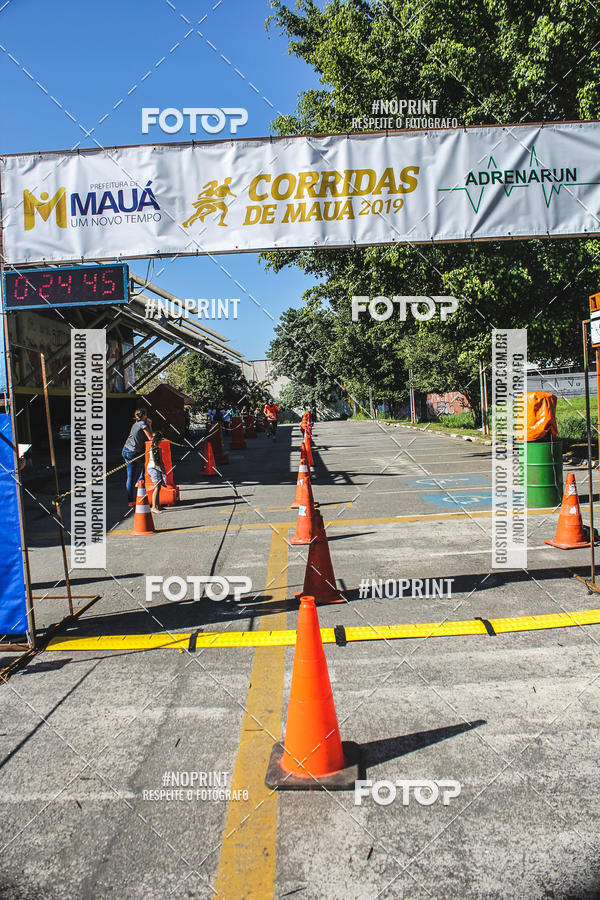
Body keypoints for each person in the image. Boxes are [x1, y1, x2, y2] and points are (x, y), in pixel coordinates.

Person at [122, 408, 152, 506]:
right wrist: (150, 425)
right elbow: (151, 438)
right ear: (143, 416)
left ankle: (130, 501)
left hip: (126, 450)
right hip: (133, 452)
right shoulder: (143, 424)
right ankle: (140, 479)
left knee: (130, 476)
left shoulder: (135, 424)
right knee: (147, 463)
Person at [147, 431, 167, 513]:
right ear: (158, 440)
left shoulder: (151, 448)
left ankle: (158, 506)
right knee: (157, 487)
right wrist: (163, 471)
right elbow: (160, 461)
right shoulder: (157, 449)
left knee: (158, 487)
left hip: (152, 468)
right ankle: (154, 507)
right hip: (154, 468)